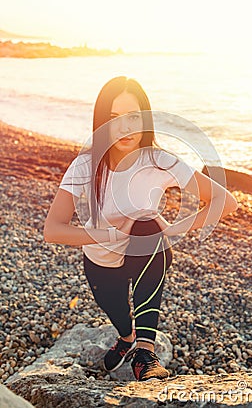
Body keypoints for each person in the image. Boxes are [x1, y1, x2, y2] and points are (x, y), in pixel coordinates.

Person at [44, 76, 238, 381]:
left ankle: (145, 355)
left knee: (148, 227)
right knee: (119, 315)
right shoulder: (85, 165)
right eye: (114, 118)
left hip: (147, 250)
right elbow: (53, 229)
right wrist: (106, 235)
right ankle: (126, 337)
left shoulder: (159, 161)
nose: (125, 128)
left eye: (133, 117)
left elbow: (225, 201)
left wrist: (176, 228)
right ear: (102, 123)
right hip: (101, 262)